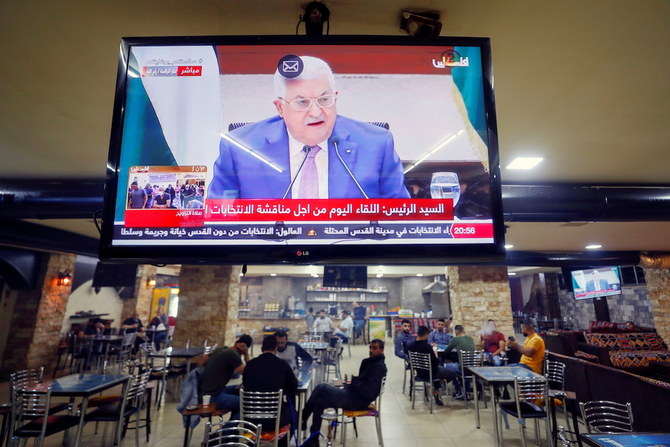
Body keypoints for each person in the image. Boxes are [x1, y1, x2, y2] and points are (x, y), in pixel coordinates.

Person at [208, 55, 410, 200]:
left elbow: (400, 217)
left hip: (348, 254)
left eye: (324, 99)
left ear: (336, 98)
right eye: (302, 102)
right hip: (268, 256)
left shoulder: (376, 143)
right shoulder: (239, 148)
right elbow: (218, 217)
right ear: (280, 107)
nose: (316, 112)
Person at [301, 339, 387, 446]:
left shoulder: (379, 367)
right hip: (352, 395)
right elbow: (362, 382)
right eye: (370, 347)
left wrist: (352, 382)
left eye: (374, 348)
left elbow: (369, 392)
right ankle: (314, 439)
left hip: (357, 402)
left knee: (321, 387)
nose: (371, 350)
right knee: (319, 401)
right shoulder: (369, 362)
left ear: (382, 350)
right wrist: (349, 382)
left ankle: (302, 418)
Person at [242, 336, 298, 445]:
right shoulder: (282, 365)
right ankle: (282, 444)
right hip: (273, 420)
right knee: (294, 414)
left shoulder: (250, 365)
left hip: (250, 419)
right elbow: (293, 386)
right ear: (275, 348)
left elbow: (245, 384)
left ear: (262, 348)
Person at [200, 334, 252, 420]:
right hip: (212, 396)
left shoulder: (220, 349)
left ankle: (234, 421)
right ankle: (228, 430)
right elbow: (249, 373)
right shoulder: (233, 354)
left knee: (239, 389)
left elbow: (203, 360)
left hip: (207, 392)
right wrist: (246, 354)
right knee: (244, 405)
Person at [407, 326, 458, 406]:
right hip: (432, 373)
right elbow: (436, 363)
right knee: (452, 373)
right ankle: (437, 390)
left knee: (439, 373)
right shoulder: (427, 347)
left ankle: (437, 387)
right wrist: (436, 355)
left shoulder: (410, 347)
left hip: (419, 373)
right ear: (426, 335)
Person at [442, 324, 476, 398]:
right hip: (472, 368)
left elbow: (446, 351)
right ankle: (467, 392)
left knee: (447, 367)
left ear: (456, 331)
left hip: (463, 368)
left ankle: (458, 390)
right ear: (463, 330)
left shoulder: (456, 339)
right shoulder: (470, 338)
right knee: (463, 367)